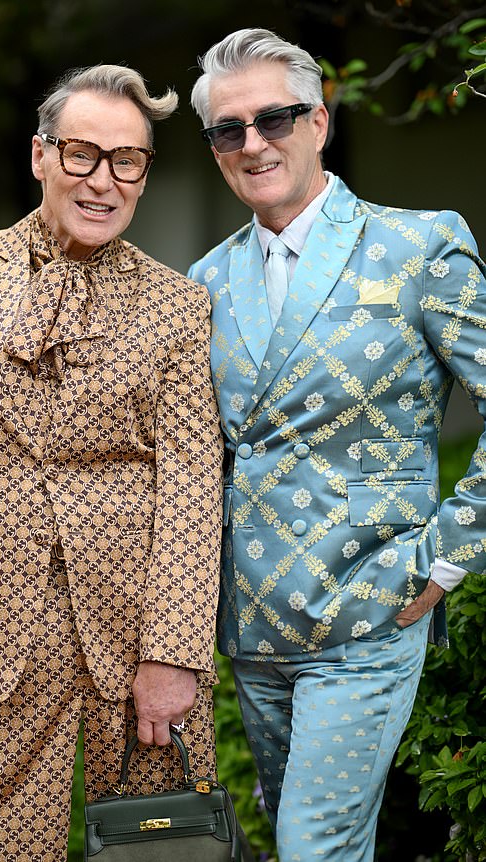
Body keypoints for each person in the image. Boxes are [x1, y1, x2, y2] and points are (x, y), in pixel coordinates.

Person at [0, 64, 223, 861]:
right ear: (40, 156)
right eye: (81, 153)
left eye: (126, 160)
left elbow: (193, 488)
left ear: (144, 173)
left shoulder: (179, 304)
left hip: (137, 636)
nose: (103, 181)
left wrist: (173, 652)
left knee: (158, 851)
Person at [188, 27, 486, 862]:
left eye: (274, 119)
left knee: (312, 845)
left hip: (370, 603)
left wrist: (447, 558)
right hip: (252, 625)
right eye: (228, 130)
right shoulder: (205, 281)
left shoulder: (418, 247)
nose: (254, 143)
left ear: (318, 121)